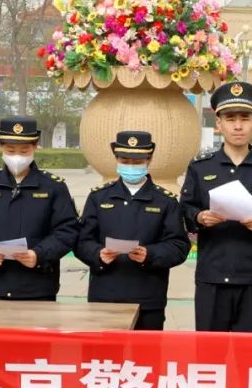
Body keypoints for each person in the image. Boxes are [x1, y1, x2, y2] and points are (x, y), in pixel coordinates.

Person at [180, 82, 252, 332]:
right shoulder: (201, 167)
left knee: (250, 351)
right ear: (218, 123)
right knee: (209, 351)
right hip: (211, 276)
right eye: (230, 119)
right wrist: (199, 217)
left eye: (244, 118)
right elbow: (184, 210)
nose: (238, 126)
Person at [75, 131, 190, 330]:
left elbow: (179, 245)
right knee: (104, 350)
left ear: (149, 160)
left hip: (148, 298)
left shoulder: (165, 201)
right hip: (105, 296)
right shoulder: (99, 198)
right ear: (116, 159)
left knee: (146, 350)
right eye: (125, 161)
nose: (131, 166)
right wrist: (98, 254)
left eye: (137, 162)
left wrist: (150, 254)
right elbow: (81, 241)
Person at [0, 117, 79, 301]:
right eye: (10, 150)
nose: (17, 156)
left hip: (39, 287)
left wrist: (39, 254)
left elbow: (67, 230)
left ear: (35, 147)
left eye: (24, 150)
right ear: (1, 147)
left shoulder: (54, 187)